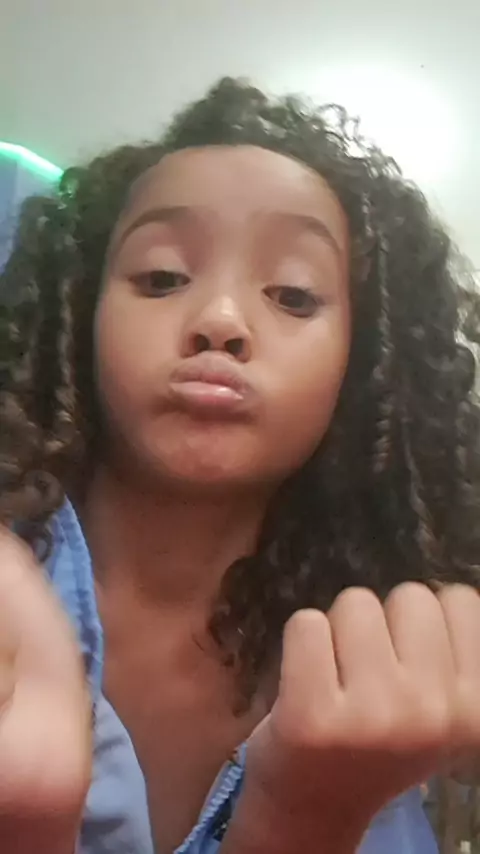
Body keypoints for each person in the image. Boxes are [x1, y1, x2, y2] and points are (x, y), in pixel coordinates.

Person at [0, 77, 479, 854]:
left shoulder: (408, 663)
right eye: (161, 278)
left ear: (362, 365)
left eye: (292, 294)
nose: (220, 321)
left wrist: (311, 813)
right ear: (82, 315)